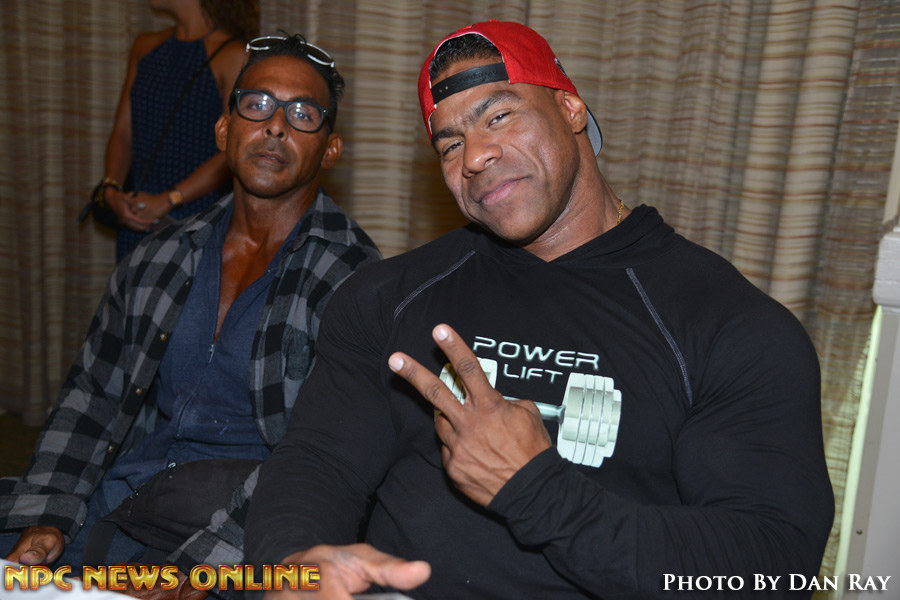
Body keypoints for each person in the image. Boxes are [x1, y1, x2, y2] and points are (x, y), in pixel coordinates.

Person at [244, 20, 835, 599]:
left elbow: (772, 563)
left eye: (499, 116)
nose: (475, 157)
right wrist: (294, 567)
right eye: (450, 144)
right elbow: (319, 461)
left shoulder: (728, 325)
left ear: (571, 110)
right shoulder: (387, 295)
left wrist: (537, 491)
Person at [0, 33, 380, 586]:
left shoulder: (356, 280)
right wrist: (47, 515)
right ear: (224, 130)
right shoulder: (161, 254)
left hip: (252, 530)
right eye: (257, 104)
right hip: (129, 493)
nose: (276, 126)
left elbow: (326, 462)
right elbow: (93, 397)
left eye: (303, 114)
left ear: (330, 149)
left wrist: (205, 569)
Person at [100, 0, 256, 261]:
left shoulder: (233, 55)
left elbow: (235, 147)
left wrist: (170, 199)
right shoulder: (145, 47)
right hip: (136, 217)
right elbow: (123, 132)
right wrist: (111, 190)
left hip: (197, 221)